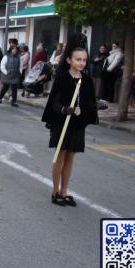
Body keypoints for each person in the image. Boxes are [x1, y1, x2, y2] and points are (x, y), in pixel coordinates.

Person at [41, 33, 98, 207]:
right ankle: (55, 191)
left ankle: (65, 191)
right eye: (77, 59)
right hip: (62, 123)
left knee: (71, 158)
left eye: (83, 60)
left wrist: (96, 105)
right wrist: (65, 109)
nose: (81, 63)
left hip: (77, 124)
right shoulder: (63, 78)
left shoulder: (87, 80)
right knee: (60, 157)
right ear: (69, 60)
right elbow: (55, 103)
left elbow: (89, 101)